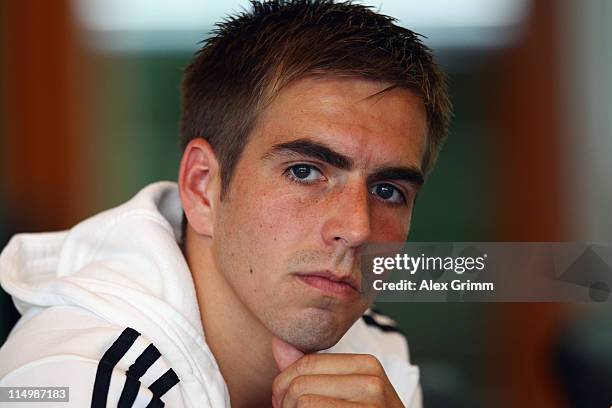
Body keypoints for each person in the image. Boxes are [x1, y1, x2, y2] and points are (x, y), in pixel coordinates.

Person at [0, 0, 451, 406]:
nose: (357, 228)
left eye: (388, 190)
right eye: (304, 172)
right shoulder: (82, 381)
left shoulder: (373, 355)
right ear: (203, 188)